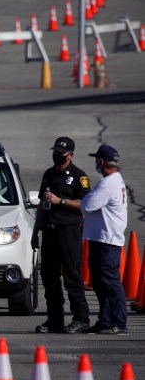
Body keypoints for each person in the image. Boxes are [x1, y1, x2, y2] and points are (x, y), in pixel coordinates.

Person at [31, 137, 90, 334]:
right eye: (55, 152)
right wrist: (35, 232)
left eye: (61, 154)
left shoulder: (79, 176)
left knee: (72, 276)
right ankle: (54, 319)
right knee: (49, 277)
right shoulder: (48, 174)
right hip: (50, 231)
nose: (56, 156)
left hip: (69, 231)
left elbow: (85, 204)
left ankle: (81, 319)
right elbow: (41, 204)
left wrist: (61, 201)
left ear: (70, 155)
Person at [81, 144, 128, 334]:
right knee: (100, 283)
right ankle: (106, 320)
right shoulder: (115, 180)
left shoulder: (107, 183)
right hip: (103, 239)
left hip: (106, 241)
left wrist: (86, 199)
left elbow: (87, 205)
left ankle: (119, 322)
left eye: (97, 160)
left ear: (101, 162)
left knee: (110, 283)